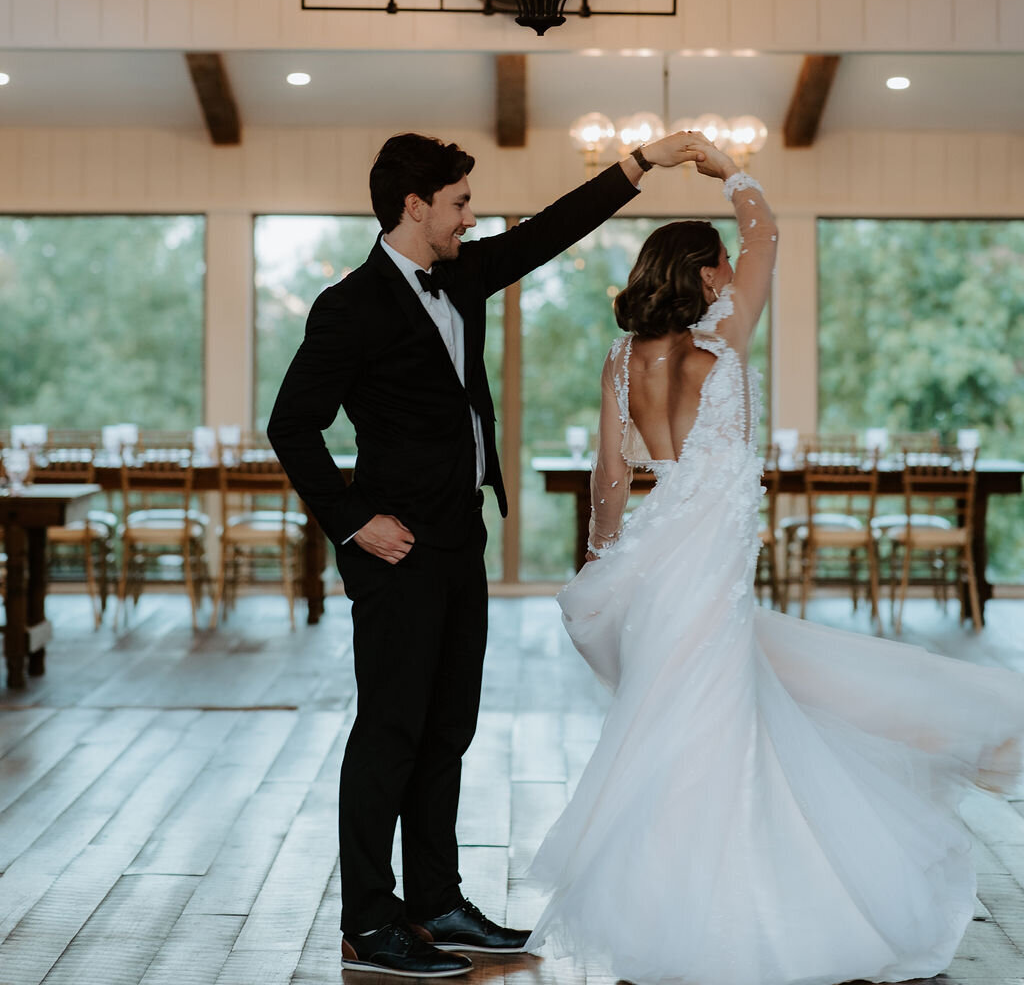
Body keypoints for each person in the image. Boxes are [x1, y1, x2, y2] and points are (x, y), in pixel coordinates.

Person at [528, 130, 1024, 985]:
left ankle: (670, 909)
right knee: (717, 712)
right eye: (721, 265)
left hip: (659, 551)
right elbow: (768, 234)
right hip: (713, 560)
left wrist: (601, 563)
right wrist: (729, 170)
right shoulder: (727, 340)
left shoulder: (622, 359)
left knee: (663, 713)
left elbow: (612, 480)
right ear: (707, 274)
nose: (730, 273)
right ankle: (749, 906)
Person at [268, 127, 698, 977]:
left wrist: (640, 163)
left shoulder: (460, 275)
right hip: (395, 552)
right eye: (460, 203)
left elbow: (549, 232)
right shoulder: (349, 305)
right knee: (390, 731)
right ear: (414, 205)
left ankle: (436, 903)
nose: (472, 216)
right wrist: (356, 521)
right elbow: (292, 426)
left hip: (462, 538)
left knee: (448, 731)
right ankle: (369, 920)